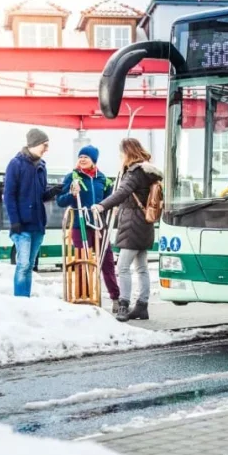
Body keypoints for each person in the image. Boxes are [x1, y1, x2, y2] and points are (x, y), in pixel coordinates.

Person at [91, 138, 163, 322]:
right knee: (142, 268)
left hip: (132, 224)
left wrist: (102, 206)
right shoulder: (149, 171)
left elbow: (121, 192)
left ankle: (123, 305)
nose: (120, 157)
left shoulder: (134, 172)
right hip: (146, 224)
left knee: (123, 267)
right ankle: (142, 306)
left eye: (121, 153)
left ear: (127, 153)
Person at [56, 145, 121, 311]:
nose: (82, 159)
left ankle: (115, 298)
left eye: (86, 157)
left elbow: (109, 202)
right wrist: (72, 194)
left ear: (94, 160)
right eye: (80, 156)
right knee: (81, 262)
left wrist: (109, 211)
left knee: (106, 263)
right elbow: (60, 201)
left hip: (99, 227)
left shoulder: (103, 179)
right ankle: (83, 296)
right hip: (79, 226)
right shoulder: (72, 176)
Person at [4, 128, 62, 297]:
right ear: (34, 144)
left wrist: (53, 191)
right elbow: (9, 195)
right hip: (22, 225)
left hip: (38, 224)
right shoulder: (16, 164)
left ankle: (25, 299)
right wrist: (15, 222)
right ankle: (20, 301)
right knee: (22, 265)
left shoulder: (42, 166)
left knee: (29, 265)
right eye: (45, 145)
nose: (47, 149)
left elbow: (41, 195)